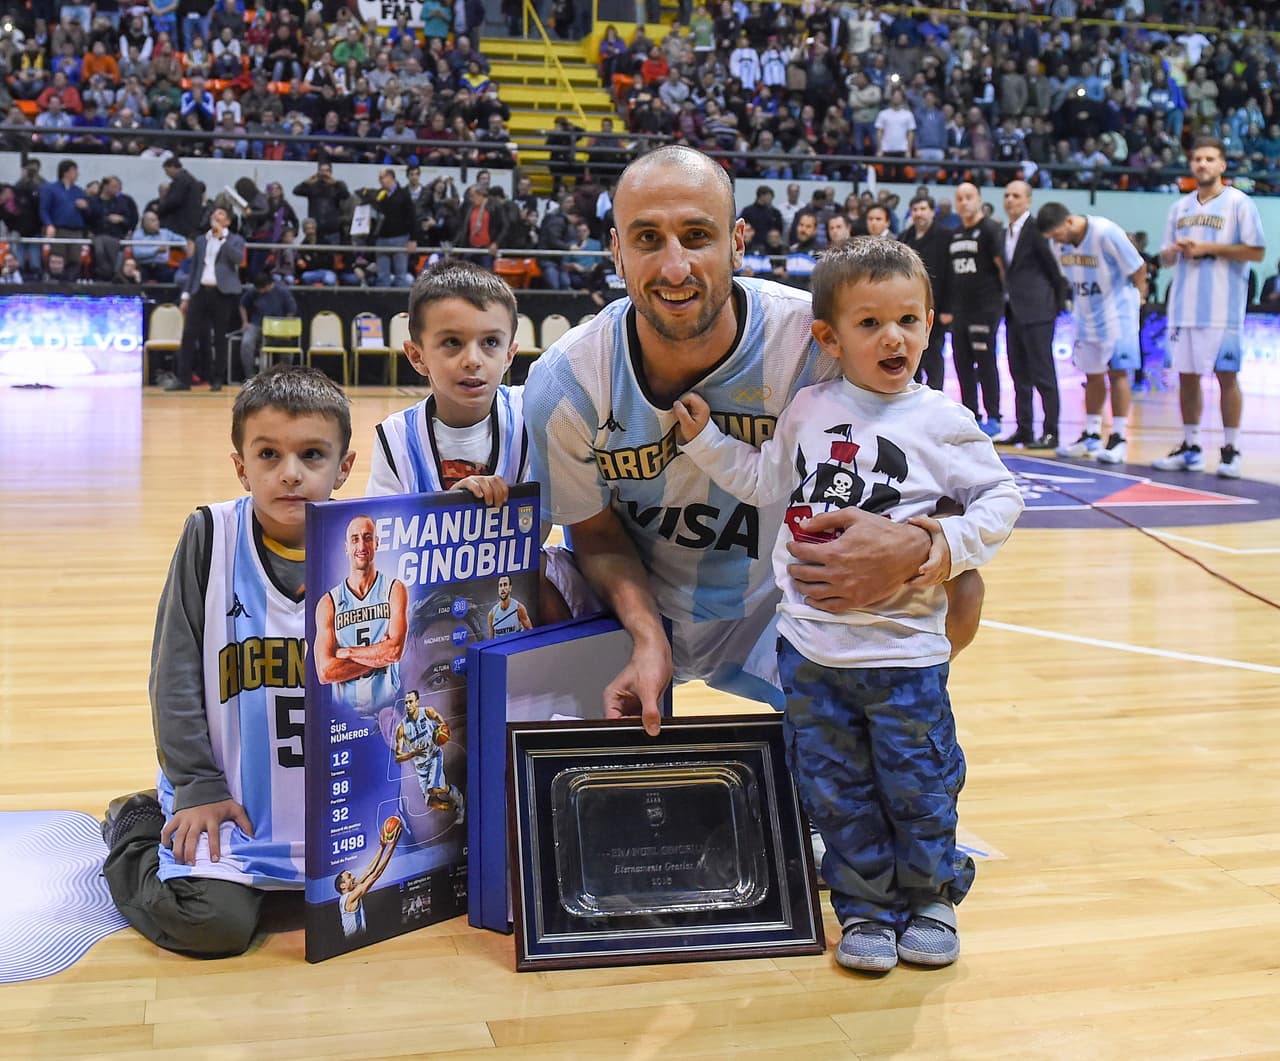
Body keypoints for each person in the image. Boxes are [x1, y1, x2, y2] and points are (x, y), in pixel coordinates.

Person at [524, 146, 983, 737]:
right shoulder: (568, 384)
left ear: (738, 242)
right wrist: (646, 634)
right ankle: (576, 766)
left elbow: (937, 480)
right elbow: (594, 534)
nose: (674, 267)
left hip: (783, 604)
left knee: (957, 588)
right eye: (646, 239)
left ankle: (864, 749)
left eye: (696, 236)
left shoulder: (821, 345)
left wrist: (918, 546)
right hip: (634, 608)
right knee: (516, 595)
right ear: (615, 250)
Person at [671, 237, 1023, 973]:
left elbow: (1002, 499)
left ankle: (930, 897)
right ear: (830, 337)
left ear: (931, 322)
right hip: (810, 650)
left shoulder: (943, 421)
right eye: (870, 323)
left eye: (909, 319)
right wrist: (703, 440)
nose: (894, 337)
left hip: (905, 654)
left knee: (919, 780)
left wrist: (941, 546)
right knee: (835, 786)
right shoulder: (808, 408)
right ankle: (863, 904)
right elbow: (766, 480)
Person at [100, 366, 357, 957]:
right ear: (241, 465)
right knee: (212, 925)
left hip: (333, 797)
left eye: (312, 454)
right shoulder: (210, 535)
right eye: (269, 454)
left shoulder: (375, 540)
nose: (289, 473)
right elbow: (174, 672)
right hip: (230, 794)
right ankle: (136, 824)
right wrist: (195, 784)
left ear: (343, 467)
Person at [1153, 136, 1265, 478]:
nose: (1202, 164)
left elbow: (1256, 252)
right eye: (1197, 159)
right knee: (1186, 378)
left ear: (1222, 165)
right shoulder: (1180, 207)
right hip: (1184, 305)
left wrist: (1207, 248)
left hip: (1222, 307)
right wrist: (1172, 252)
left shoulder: (1238, 203)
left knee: (1226, 377)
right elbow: (1165, 257)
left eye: (1209, 159)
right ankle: (1191, 446)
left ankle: (1231, 450)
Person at [1037, 202, 1148, 463]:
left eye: (1056, 234)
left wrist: (1140, 297)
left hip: (1117, 312)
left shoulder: (1105, 232)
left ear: (1068, 222)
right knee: (1092, 375)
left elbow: (1138, 267)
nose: (1056, 240)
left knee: (1118, 372)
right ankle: (1091, 434)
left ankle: (1119, 436)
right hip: (1086, 314)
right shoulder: (1058, 245)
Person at [997, 180, 1069, 450]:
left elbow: (1054, 271)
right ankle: (1024, 429)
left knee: (1043, 374)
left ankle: (1051, 432)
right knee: (1018, 374)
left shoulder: (1037, 230)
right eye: (1006, 194)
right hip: (1014, 311)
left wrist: (1055, 307)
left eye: (1015, 195)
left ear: (1028, 200)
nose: (1010, 200)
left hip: (1038, 312)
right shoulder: (1006, 232)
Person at [314, 514, 408, 716]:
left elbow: (394, 652)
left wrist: (348, 653)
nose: (361, 545)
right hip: (344, 716)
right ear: (346, 547)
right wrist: (377, 655)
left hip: (390, 711)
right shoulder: (328, 602)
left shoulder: (394, 589)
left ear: (377, 543)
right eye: (355, 539)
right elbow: (325, 671)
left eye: (367, 537)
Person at [939, 183, 1005, 436]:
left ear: (978, 199)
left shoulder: (990, 230)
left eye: (969, 197)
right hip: (960, 311)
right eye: (960, 198)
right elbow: (950, 275)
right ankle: (971, 414)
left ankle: (995, 417)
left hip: (984, 309)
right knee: (962, 363)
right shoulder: (955, 235)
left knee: (985, 363)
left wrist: (999, 302)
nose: (964, 202)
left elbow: (1002, 268)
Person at [168, 206, 244, 391]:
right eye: (214, 213)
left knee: (219, 337)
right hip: (200, 290)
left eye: (221, 214)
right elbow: (194, 268)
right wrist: (186, 296)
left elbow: (238, 259)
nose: (215, 216)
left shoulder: (235, 239)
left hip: (222, 293)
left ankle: (217, 379)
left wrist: (222, 239)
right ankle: (183, 379)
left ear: (227, 221)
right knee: (188, 335)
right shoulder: (201, 240)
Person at [899, 194, 947, 390]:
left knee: (933, 353)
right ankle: (911, 392)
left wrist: (947, 309)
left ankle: (936, 395)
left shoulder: (945, 236)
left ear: (932, 212)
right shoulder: (905, 237)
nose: (919, 214)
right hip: (908, 306)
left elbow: (949, 276)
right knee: (911, 352)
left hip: (937, 305)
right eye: (915, 209)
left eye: (923, 209)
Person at [393, 691, 463, 824]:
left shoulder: (427, 712)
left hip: (434, 757)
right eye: (406, 702)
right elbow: (398, 756)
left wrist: (443, 731)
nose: (408, 705)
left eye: (411, 701)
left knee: (433, 788)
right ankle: (456, 807)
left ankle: (459, 798)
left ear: (417, 702)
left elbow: (440, 721)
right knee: (432, 802)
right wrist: (413, 753)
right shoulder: (402, 728)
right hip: (421, 767)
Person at [335, 816, 402, 937]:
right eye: (349, 877)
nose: (354, 878)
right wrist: (392, 846)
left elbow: (368, 871)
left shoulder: (349, 894)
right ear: (343, 885)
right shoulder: (349, 898)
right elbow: (376, 874)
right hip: (353, 940)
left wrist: (382, 847)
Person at [238, 271, 298, 381]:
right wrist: (245, 322)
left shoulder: (282, 292)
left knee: (288, 350)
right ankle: (250, 376)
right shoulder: (254, 291)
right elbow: (242, 305)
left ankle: (284, 377)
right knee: (246, 342)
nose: (259, 292)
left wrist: (286, 329)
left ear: (268, 285)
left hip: (278, 327)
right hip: (257, 325)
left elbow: (291, 311)